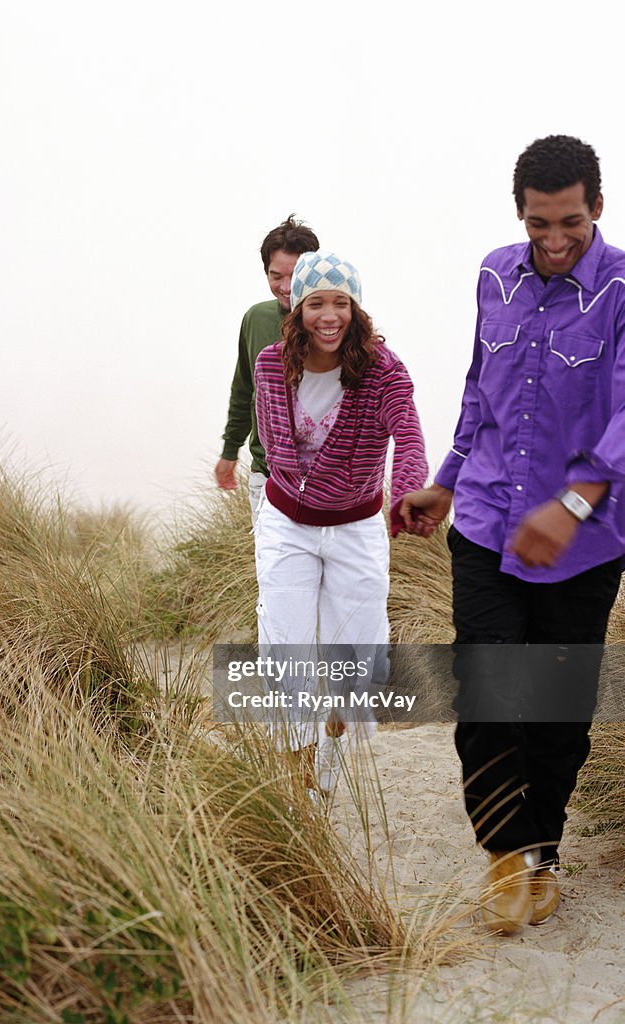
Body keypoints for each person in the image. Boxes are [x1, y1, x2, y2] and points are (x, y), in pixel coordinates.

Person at [401, 135, 625, 935]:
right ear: (518, 215)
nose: (553, 241)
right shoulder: (495, 274)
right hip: (490, 523)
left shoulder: (623, 287)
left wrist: (568, 507)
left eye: (568, 222)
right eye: (537, 225)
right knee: (489, 695)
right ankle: (506, 856)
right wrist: (447, 480)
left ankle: (545, 852)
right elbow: (478, 394)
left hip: (587, 540)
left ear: (595, 207)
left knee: (558, 711)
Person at [254, 251, 428, 792]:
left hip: (356, 527)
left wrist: (406, 492)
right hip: (287, 523)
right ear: (297, 308)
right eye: (316, 303)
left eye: (340, 303)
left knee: (355, 654)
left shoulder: (383, 369)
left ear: (355, 308)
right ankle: (296, 772)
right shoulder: (269, 363)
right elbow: (268, 440)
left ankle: (330, 755)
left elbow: (410, 434)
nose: (329, 316)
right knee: (286, 646)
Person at [216, 215, 319, 521]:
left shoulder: (336, 324)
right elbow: (244, 388)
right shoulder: (257, 319)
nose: (286, 286)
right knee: (272, 570)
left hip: (326, 481)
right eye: (276, 276)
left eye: (296, 275)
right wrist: (230, 451)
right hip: (267, 477)